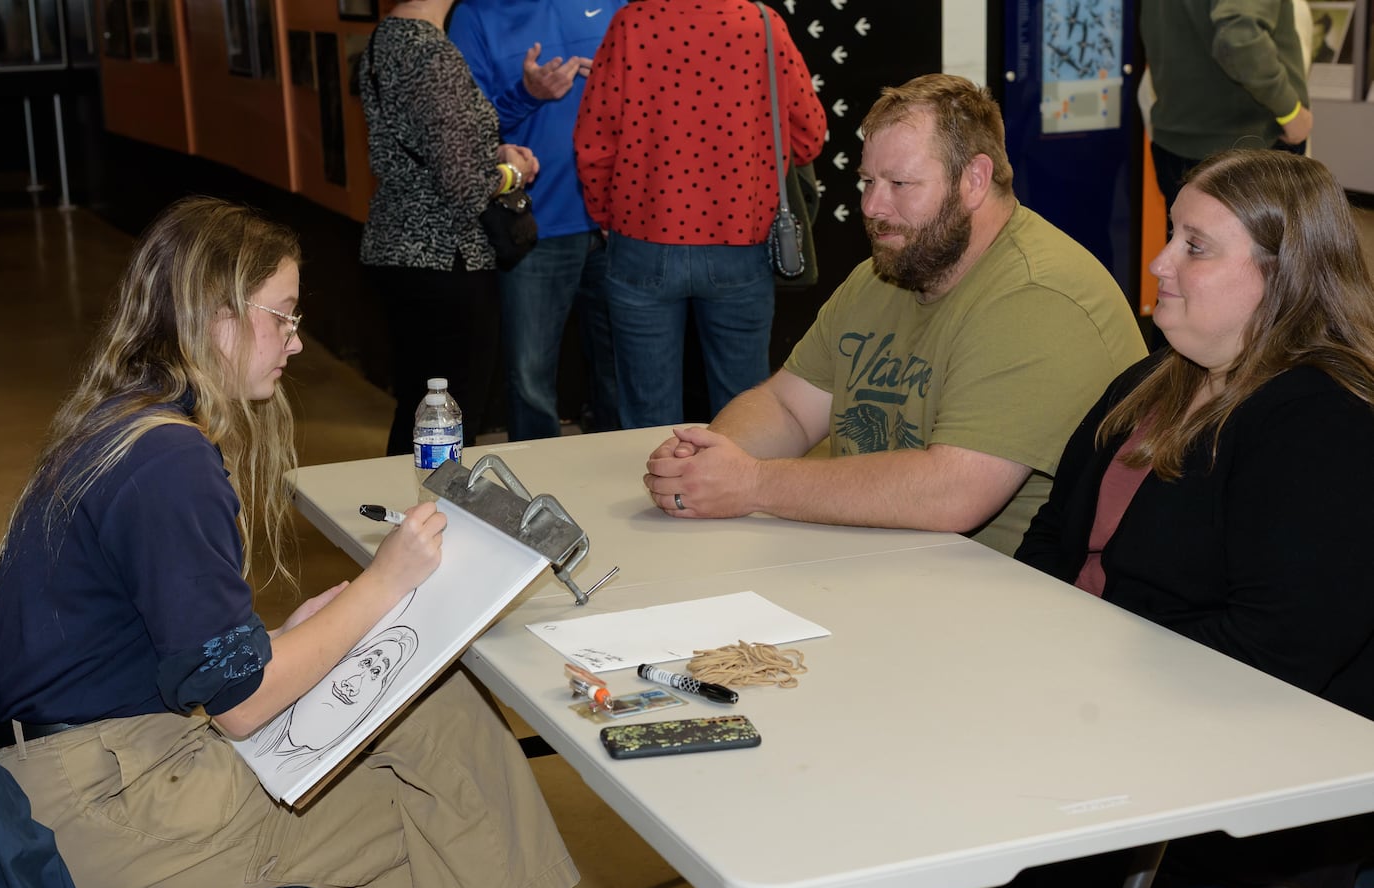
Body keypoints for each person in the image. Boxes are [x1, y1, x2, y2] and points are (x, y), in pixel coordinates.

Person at [0, 197, 582, 888]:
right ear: (218, 317)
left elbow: (166, 646)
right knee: (419, 843)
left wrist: (289, 632)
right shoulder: (170, 464)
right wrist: (380, 584)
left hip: (71, 775)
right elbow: (242, 703)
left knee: (437, 711)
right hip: (106, 804)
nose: (297, 341)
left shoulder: (124, 426)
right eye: (283, 317)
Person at [999, 148, 1374, 888]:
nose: (1161, 263)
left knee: (1086, 848)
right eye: (1172, 237)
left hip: (1284, 750)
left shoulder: (1323, 419)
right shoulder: (1154, 381)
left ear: (1283, 278)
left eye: (1195, 247)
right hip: (1128, 708)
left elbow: (1278, 650)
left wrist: (1077, 680)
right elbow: (1054, 543)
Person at [644, 74, 1146, 558]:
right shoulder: (887, 273)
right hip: (883, 564)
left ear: (975, 179)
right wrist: (708, 461)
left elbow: (953, 493)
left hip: (1011, 597)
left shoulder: (1039, 296)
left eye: (900, 183)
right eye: (867, 180)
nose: (873, 206)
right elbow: (789, 407)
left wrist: (751, 483)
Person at [574, 0, 826, 428]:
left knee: (647, 419)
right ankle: (741, 494)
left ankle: (657, 495)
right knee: (744, 413)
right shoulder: (763, 24)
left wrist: (605, 216)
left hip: (641, 241)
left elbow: (594, 141)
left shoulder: (632, 22)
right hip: (741, 244)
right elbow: (809, 136)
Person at [359, 0, 539, 455]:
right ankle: (435, 520)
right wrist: (512, 171)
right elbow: (463, 185)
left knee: (418, 412)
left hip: (398, 247)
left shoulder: (386, 38)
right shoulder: (430, 51)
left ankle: (411, 520)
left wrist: (487, 157)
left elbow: (431, 151)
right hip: (445, 257)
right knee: (450, 419)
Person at [449, 0, 626, 441]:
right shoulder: (477, 15)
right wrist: (526, 95)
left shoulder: (618, 5)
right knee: (530, 380)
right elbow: (461, 131)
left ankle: (629, 485)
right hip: (535, 229)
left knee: (626, 373)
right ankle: (535, 498)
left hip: (622, 222)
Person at [1140, 0, 1313, 211]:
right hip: (1244, 150)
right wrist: (1289, 111)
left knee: (1189, 239)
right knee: (1257, 242)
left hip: (1180, 141)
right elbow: (1238, 39)